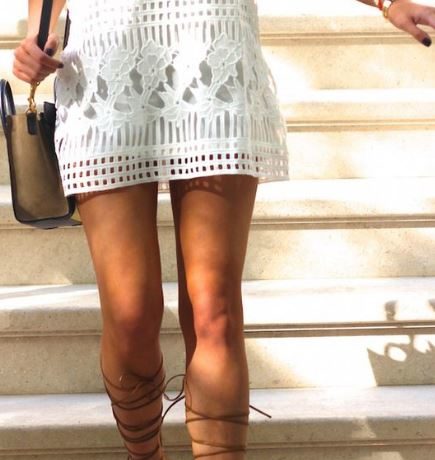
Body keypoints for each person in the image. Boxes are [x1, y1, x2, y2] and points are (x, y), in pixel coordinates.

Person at [11, 0, 435, 459]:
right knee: (131, 317)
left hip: (215, 52)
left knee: (214, 310)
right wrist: (38, 31)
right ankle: (144, 454)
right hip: (106, 65)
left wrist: (387, 2)